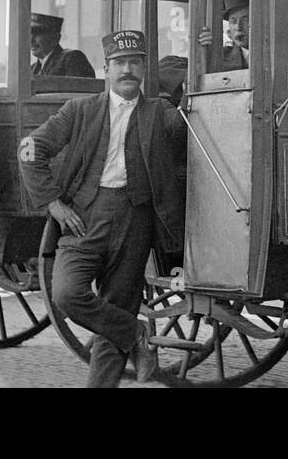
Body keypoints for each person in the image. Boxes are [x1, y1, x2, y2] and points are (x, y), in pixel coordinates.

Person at [19, 30, 187, 388]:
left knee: (117, 305)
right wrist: (54, 203)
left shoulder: (162, 112)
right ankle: (136, 332)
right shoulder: (80, 110)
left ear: (143, 69)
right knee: (67, 294)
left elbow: (193, 137)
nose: (128, 70)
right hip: (83, 219)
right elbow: (29, 150)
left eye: (135, 63)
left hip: (135, 222)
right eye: (120, 63)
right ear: (106, 70)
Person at [197, 0, 248, 69]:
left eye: (246, 20)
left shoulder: (275, 55)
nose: (238, 27)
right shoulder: (220, 56)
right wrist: (202, 51)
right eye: (233, 21)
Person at [30, 13, 96, 77]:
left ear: (55, 38)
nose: (31, 40)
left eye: (37, 33)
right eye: (29, 34)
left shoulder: (72, 59)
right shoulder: (32, 69)